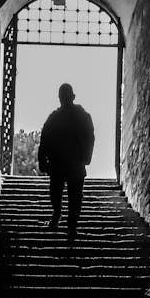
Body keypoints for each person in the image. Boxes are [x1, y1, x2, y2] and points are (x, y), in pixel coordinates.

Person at [37, 83, 95, 241]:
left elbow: (45, 139)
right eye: (62, 97)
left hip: (68, 163)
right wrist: (42, 159)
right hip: (65, 163)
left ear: (71, 97)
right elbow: (45, 139)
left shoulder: (66, 117)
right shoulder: (77, 116)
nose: (64, 99)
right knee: (63, 194)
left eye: (65, 96)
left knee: (72, 196)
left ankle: (68, 224)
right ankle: (62, 219)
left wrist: (86, 157)